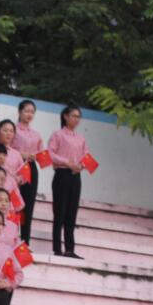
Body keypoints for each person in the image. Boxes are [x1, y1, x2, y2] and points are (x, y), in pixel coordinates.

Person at [48, 105, 89, 258]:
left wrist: (81, 165)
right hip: (62, 174)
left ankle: (70, 249)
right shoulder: (57, 135)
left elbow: (87, 155)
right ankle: (57, 249)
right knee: (60, 212)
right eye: (73, 116)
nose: (76, 119)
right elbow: (50, 153)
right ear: (65, 116)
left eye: (78, 117)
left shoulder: (81, 138)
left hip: (75, 176)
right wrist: (67, 162)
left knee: (72, 212)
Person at [14, 99, 42, 245]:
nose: (29, 114)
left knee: (28, 204)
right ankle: (12, 237)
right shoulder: (13, 130)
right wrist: (22, 154)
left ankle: (25, 241)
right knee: (14, 203)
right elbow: (7, 147)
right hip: (16, 166)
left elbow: (41, 152)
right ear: (20, 112)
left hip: (31, 168)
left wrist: (37, 156)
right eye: (26, 111)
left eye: (32, 112)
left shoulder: (36, 134)